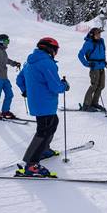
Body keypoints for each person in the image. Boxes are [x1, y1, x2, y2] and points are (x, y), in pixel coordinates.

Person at [16, 37, 69, 177]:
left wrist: (26, 91)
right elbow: (55, 86)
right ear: (50, 49)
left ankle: (44, 149)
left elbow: (19, 79)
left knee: (53, 123)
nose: (56, 53)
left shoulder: (29, 62)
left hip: (38, 103)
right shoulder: (46, 63)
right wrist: (65, 86)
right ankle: (31, 164)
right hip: (45, 103)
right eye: (56, 50)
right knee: (43, 131)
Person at [77, 27, 107, 112]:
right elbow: (80, 55)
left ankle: (94, 103)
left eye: (99, 34)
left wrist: (104, 61)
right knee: (94, 85)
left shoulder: (101, 41)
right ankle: (86, 105)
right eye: (97, 34)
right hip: (94, 67)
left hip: (101, 66)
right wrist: (87, 63)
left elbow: (103, 52)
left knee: (101, 86)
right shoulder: (88, 43)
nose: (99, 35)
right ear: (92, 35)